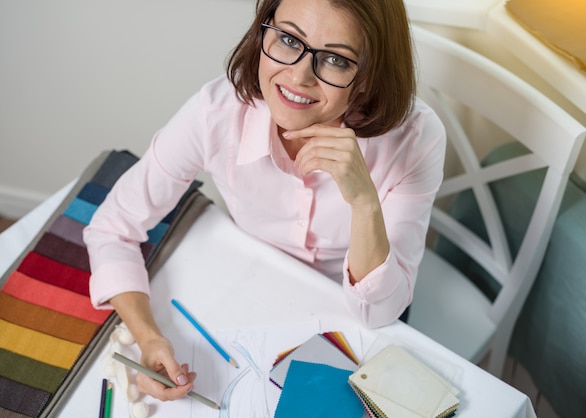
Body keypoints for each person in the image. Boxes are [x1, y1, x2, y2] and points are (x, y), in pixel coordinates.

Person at [84, 0, 445, 402]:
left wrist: (364, 202)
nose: (298, 76)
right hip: (250, 294)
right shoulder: (216, 113)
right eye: (289, 39)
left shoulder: (417, 139)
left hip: (357, 314)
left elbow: (380, 312)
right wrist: (149, 339)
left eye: (336, 60)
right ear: (263, 31)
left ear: (368, 77)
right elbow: (111, 228)